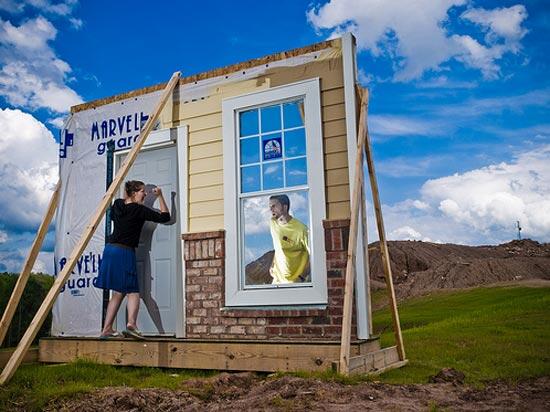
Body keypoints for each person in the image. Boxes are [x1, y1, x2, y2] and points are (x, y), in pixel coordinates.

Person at [95, 180, 170, 340]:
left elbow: (122, 202)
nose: (145, 194)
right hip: (124, 251)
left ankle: (106, 329)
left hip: (110, 250)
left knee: (117, 292)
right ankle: (132, 324)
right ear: (134, 192)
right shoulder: (139, 210)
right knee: (133, 292)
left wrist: (128, 194)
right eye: (142, 191)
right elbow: (166, 217)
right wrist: (161, 196)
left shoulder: (117, 205)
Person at [268, 194, 310, 284]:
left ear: (285, 207)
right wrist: (272, 265)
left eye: (274, 206)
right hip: (277, 280)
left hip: (294, 281)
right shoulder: (273, 223)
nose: (271, 209)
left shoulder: (301, 229)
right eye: (270, 207)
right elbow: (278, 247)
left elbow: (314, 256)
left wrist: (302, 277)